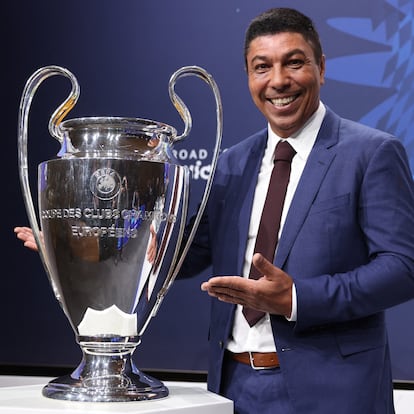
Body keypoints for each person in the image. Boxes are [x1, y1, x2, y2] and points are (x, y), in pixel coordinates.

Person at [15, 7, 414, 414]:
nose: (278, 81)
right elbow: (187, 251)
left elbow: (403, 267)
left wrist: (295, 298)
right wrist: (91, 244)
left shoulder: (372, 152)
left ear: (321, 67)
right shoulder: (233, 162)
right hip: (233, 389)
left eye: (294, 63)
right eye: (262, 67)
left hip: (337, 392)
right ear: (248, 76)